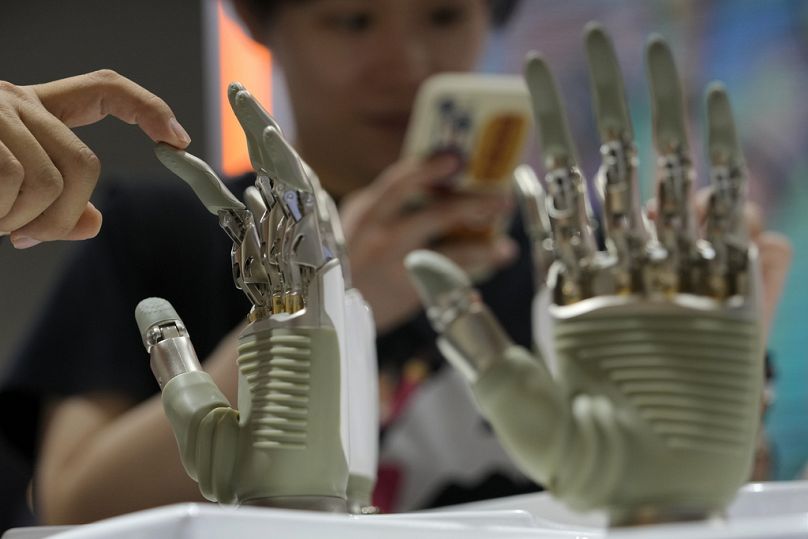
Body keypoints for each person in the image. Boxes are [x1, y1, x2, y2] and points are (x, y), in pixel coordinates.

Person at [0, 0, 792, 529]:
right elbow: (72, 505)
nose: (405, 59)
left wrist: (728, 382)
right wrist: (328, 304)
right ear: (262, 25)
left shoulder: (576, 266)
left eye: (445, 14)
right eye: (351, 21)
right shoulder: (165, 229)